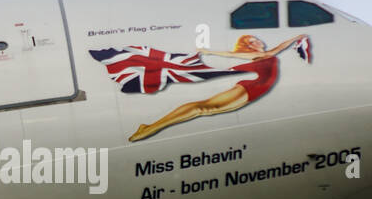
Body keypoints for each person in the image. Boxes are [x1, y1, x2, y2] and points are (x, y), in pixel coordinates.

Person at [127, 33, 310, 142]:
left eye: (255, 40)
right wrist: (209, 51)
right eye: (252, 41)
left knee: (204, 108)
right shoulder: (254, 56)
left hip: (254, 90)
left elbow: (281, 46)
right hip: (250, 88)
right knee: (203, 108)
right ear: (248, 46)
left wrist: (297, 38)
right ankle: (151, 128)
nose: (257, 42)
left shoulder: (268, 53)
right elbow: (230, 54)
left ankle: (150, 127)